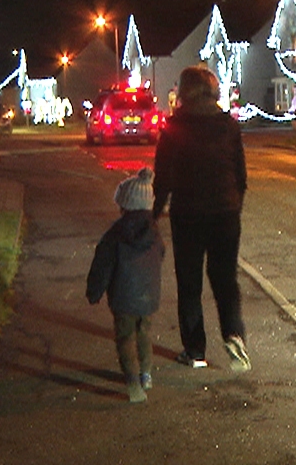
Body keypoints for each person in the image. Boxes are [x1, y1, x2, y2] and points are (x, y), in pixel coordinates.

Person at [152, 65, 251, 372]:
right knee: (225, 280)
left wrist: (153, 214)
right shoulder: (229, 126)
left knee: (190, 282)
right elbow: (241, 175)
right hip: (225, 214)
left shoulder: (173, 126)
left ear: (184, 91)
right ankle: (234, 334)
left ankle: (195, 350)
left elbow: (163, 178)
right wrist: (234, 204)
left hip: (188, 215)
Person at [86, 167, 165, 403]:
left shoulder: (115, 234)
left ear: (125, 205)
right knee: (144, 333)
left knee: (125, 338)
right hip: (149, 295)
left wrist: (94, 291)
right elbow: (160, 255)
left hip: (123, 296)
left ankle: (132, 383)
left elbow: (103, 265)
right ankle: (146, 374)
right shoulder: (154, 232)